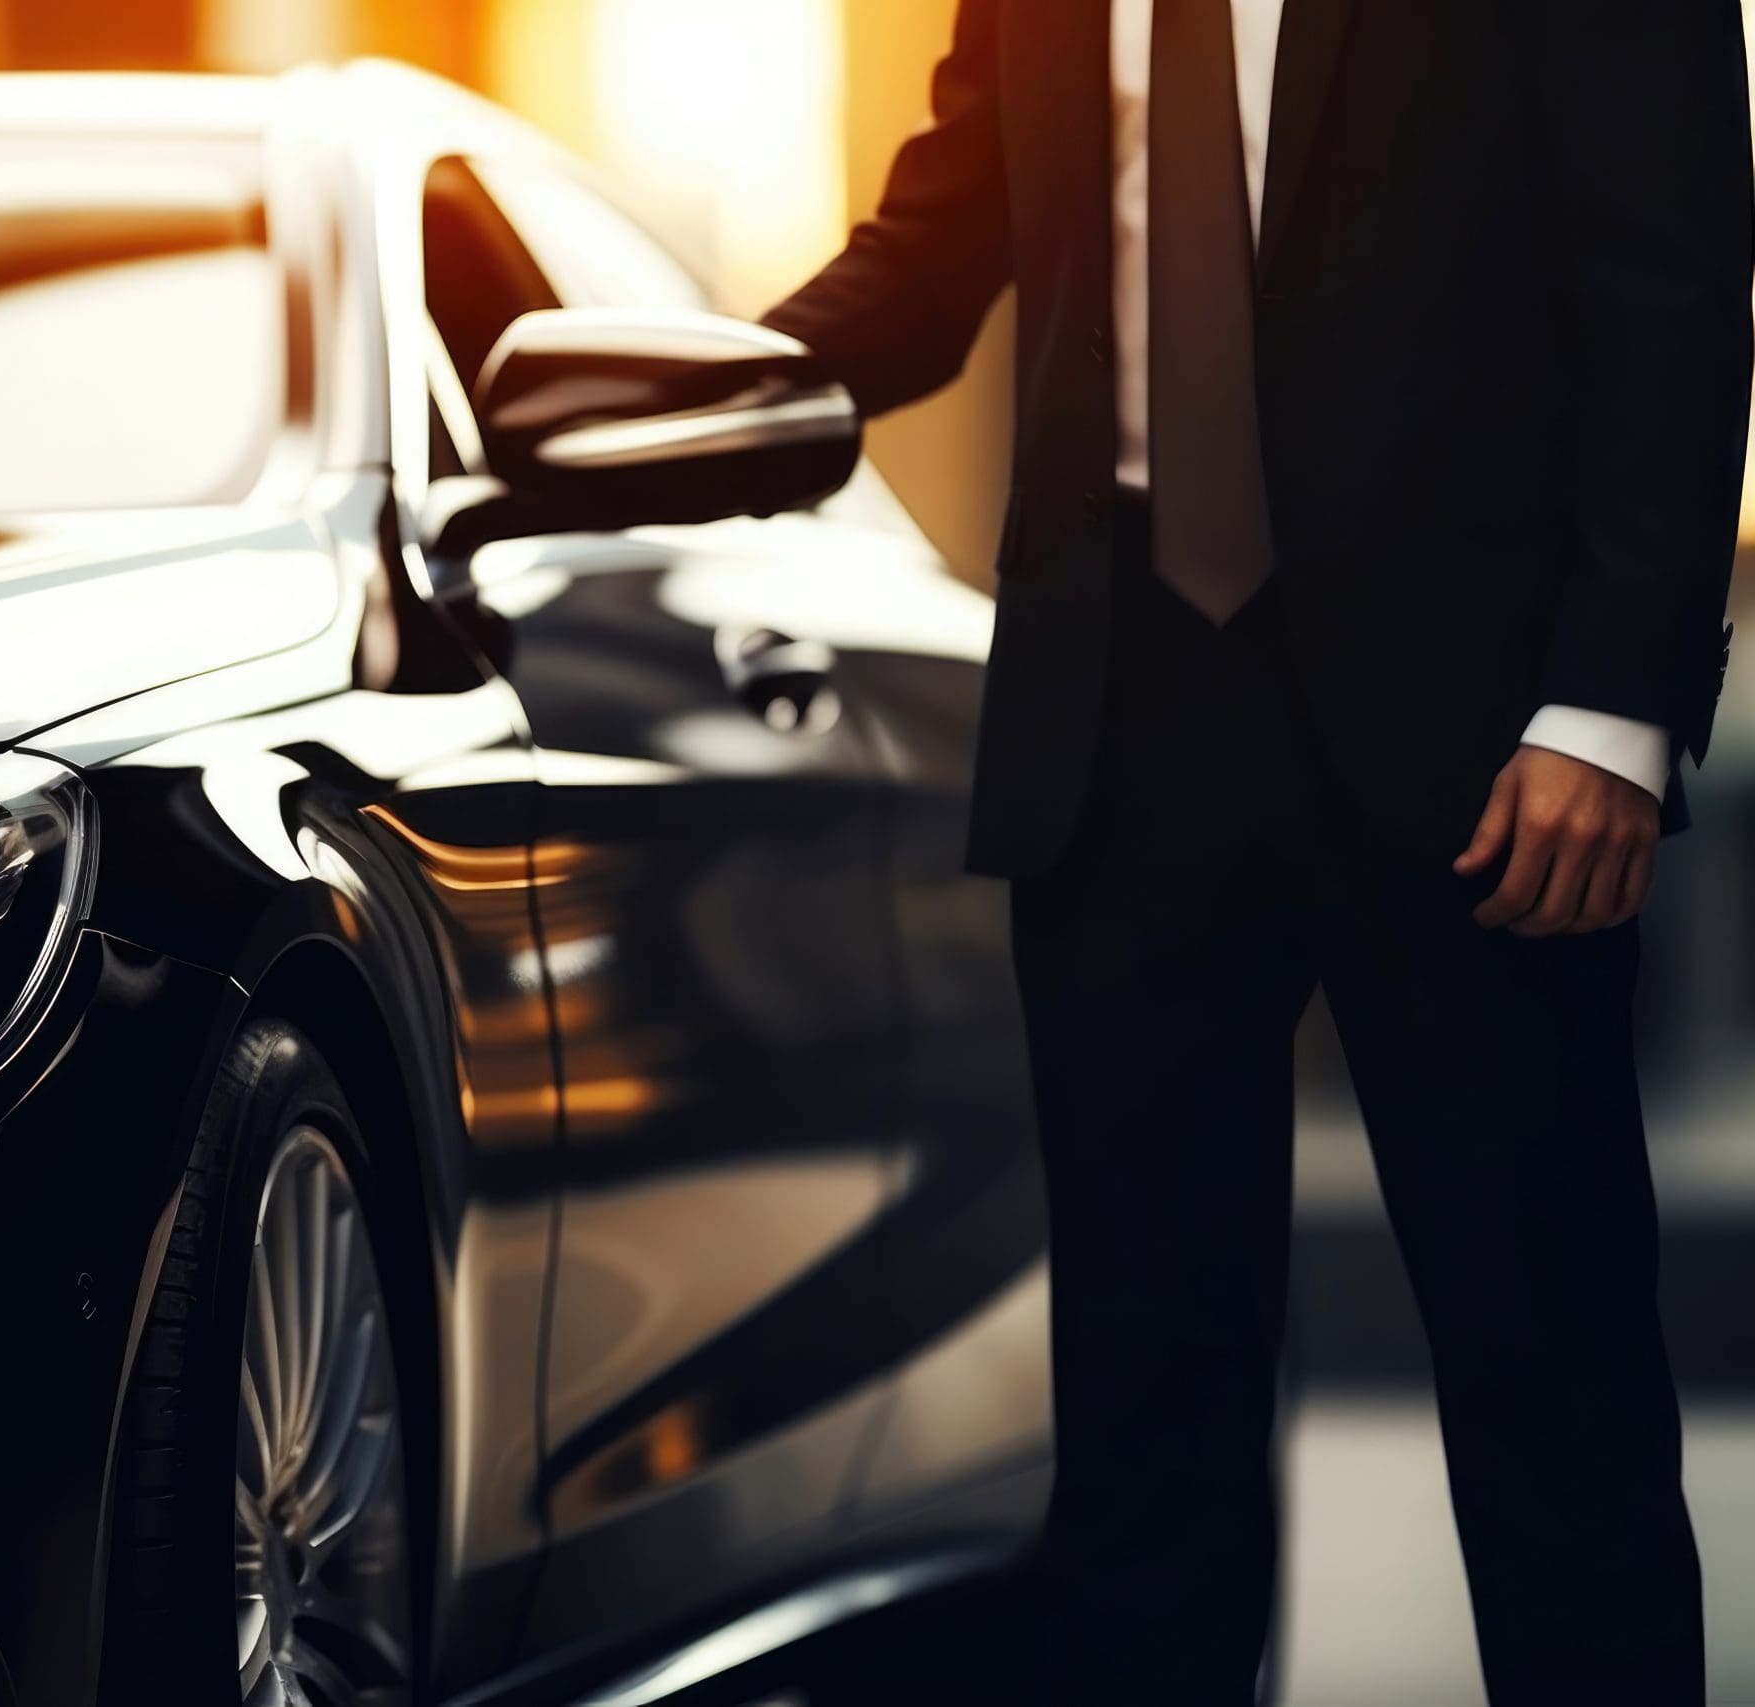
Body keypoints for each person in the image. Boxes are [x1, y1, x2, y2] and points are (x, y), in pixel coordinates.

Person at [759, 3, 1752, 1702]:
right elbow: (938, 245)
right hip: (1123, 732)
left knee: (1552, 1397)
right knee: (1146, 1435)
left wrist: (1611, 705)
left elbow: (1672, 274)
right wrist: (705, 382)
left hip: (1483, 750)